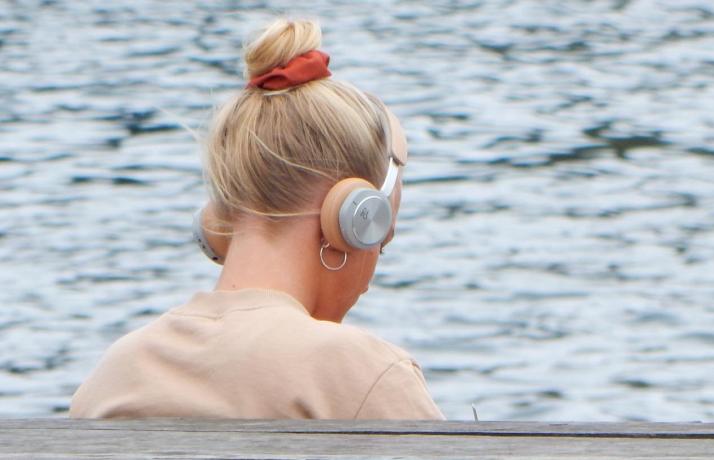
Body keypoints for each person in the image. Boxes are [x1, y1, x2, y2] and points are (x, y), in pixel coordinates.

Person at [70, 18, 444, 420]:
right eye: (380, 242)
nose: (368, 282)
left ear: (218, 223)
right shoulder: (365, 380)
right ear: (350, 219)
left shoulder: (116, 374)